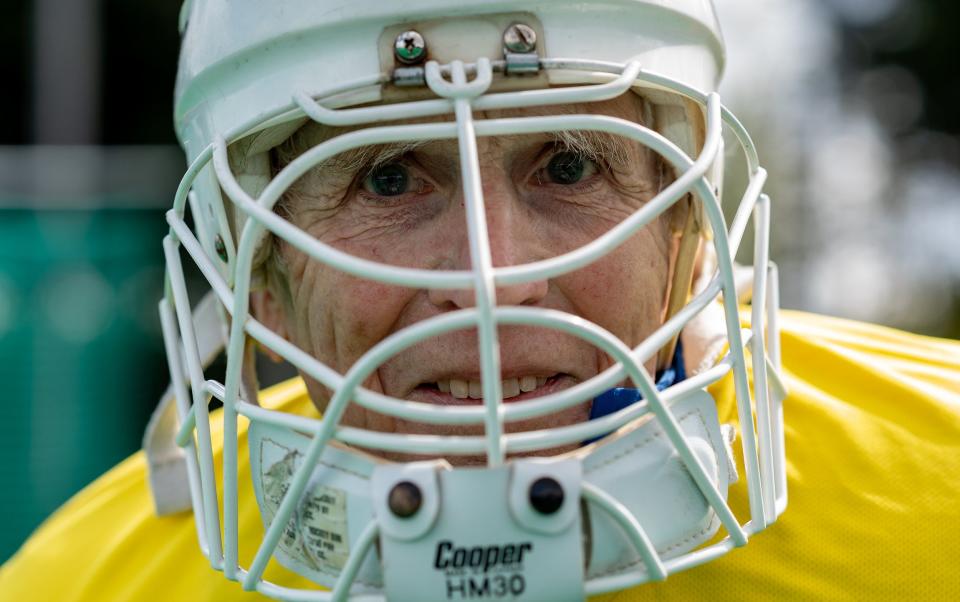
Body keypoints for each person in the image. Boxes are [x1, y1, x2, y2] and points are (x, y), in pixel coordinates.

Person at [3, 0, 960, 600]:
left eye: (571, 164)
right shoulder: (75, 586)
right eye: (385, 179)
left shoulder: (938, 494)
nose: (495, 281)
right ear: (260, 273)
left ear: (688, 229)